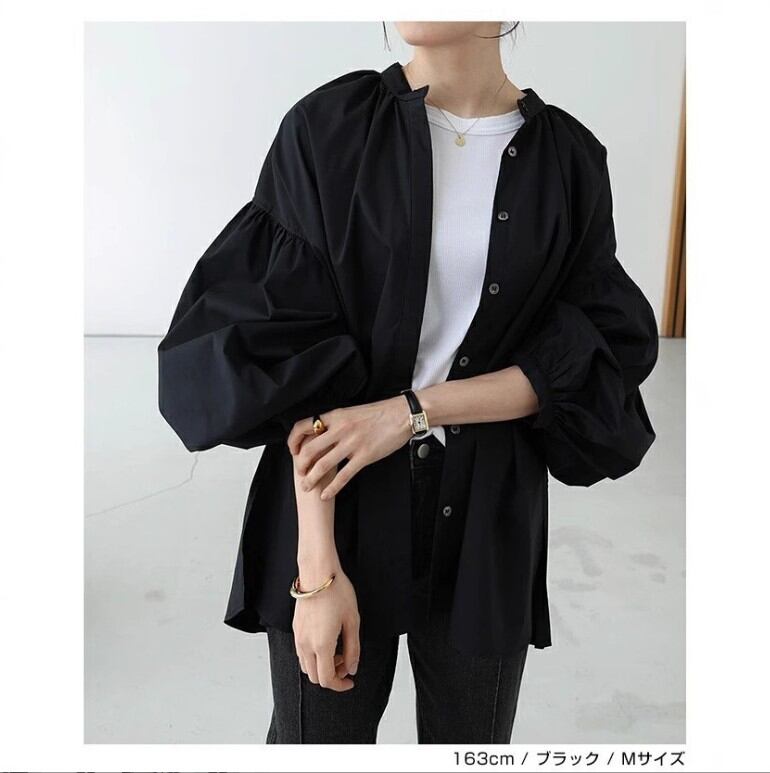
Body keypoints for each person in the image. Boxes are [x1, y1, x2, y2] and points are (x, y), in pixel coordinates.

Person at [157, 21, 659, 744]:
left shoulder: (570, 161)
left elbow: (581, 359)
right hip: (337, 507)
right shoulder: (331, 129)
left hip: (488, 520)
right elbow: (288, 354)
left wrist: (412, 411)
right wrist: (317, 570)